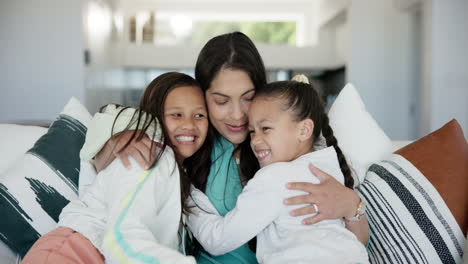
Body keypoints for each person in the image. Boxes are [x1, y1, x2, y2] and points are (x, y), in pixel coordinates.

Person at [94, 32, 369, 264]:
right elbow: (106, 169)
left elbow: (349, 242)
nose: (237, 115)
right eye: (221, 101)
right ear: (202, 96)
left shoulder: (293, 149)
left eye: (248, 98)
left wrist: (352, 206)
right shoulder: (190, 142)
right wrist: (116, 143)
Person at [21, 72, 210, 264]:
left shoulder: (181, 176)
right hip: (73, 253)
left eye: (199, 115)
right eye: (176, 115)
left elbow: (216, 236)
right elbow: (122, 237)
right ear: (156, 117)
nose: (189, 124)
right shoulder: (149, 153)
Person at [187, 76, 369, 263]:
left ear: (304, 130)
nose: (255, 140)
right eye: (252, 131)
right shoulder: (328, 166)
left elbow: (217, 240)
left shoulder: (273, 178)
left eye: (265, 128)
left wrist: (188, 195)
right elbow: (356, 241)